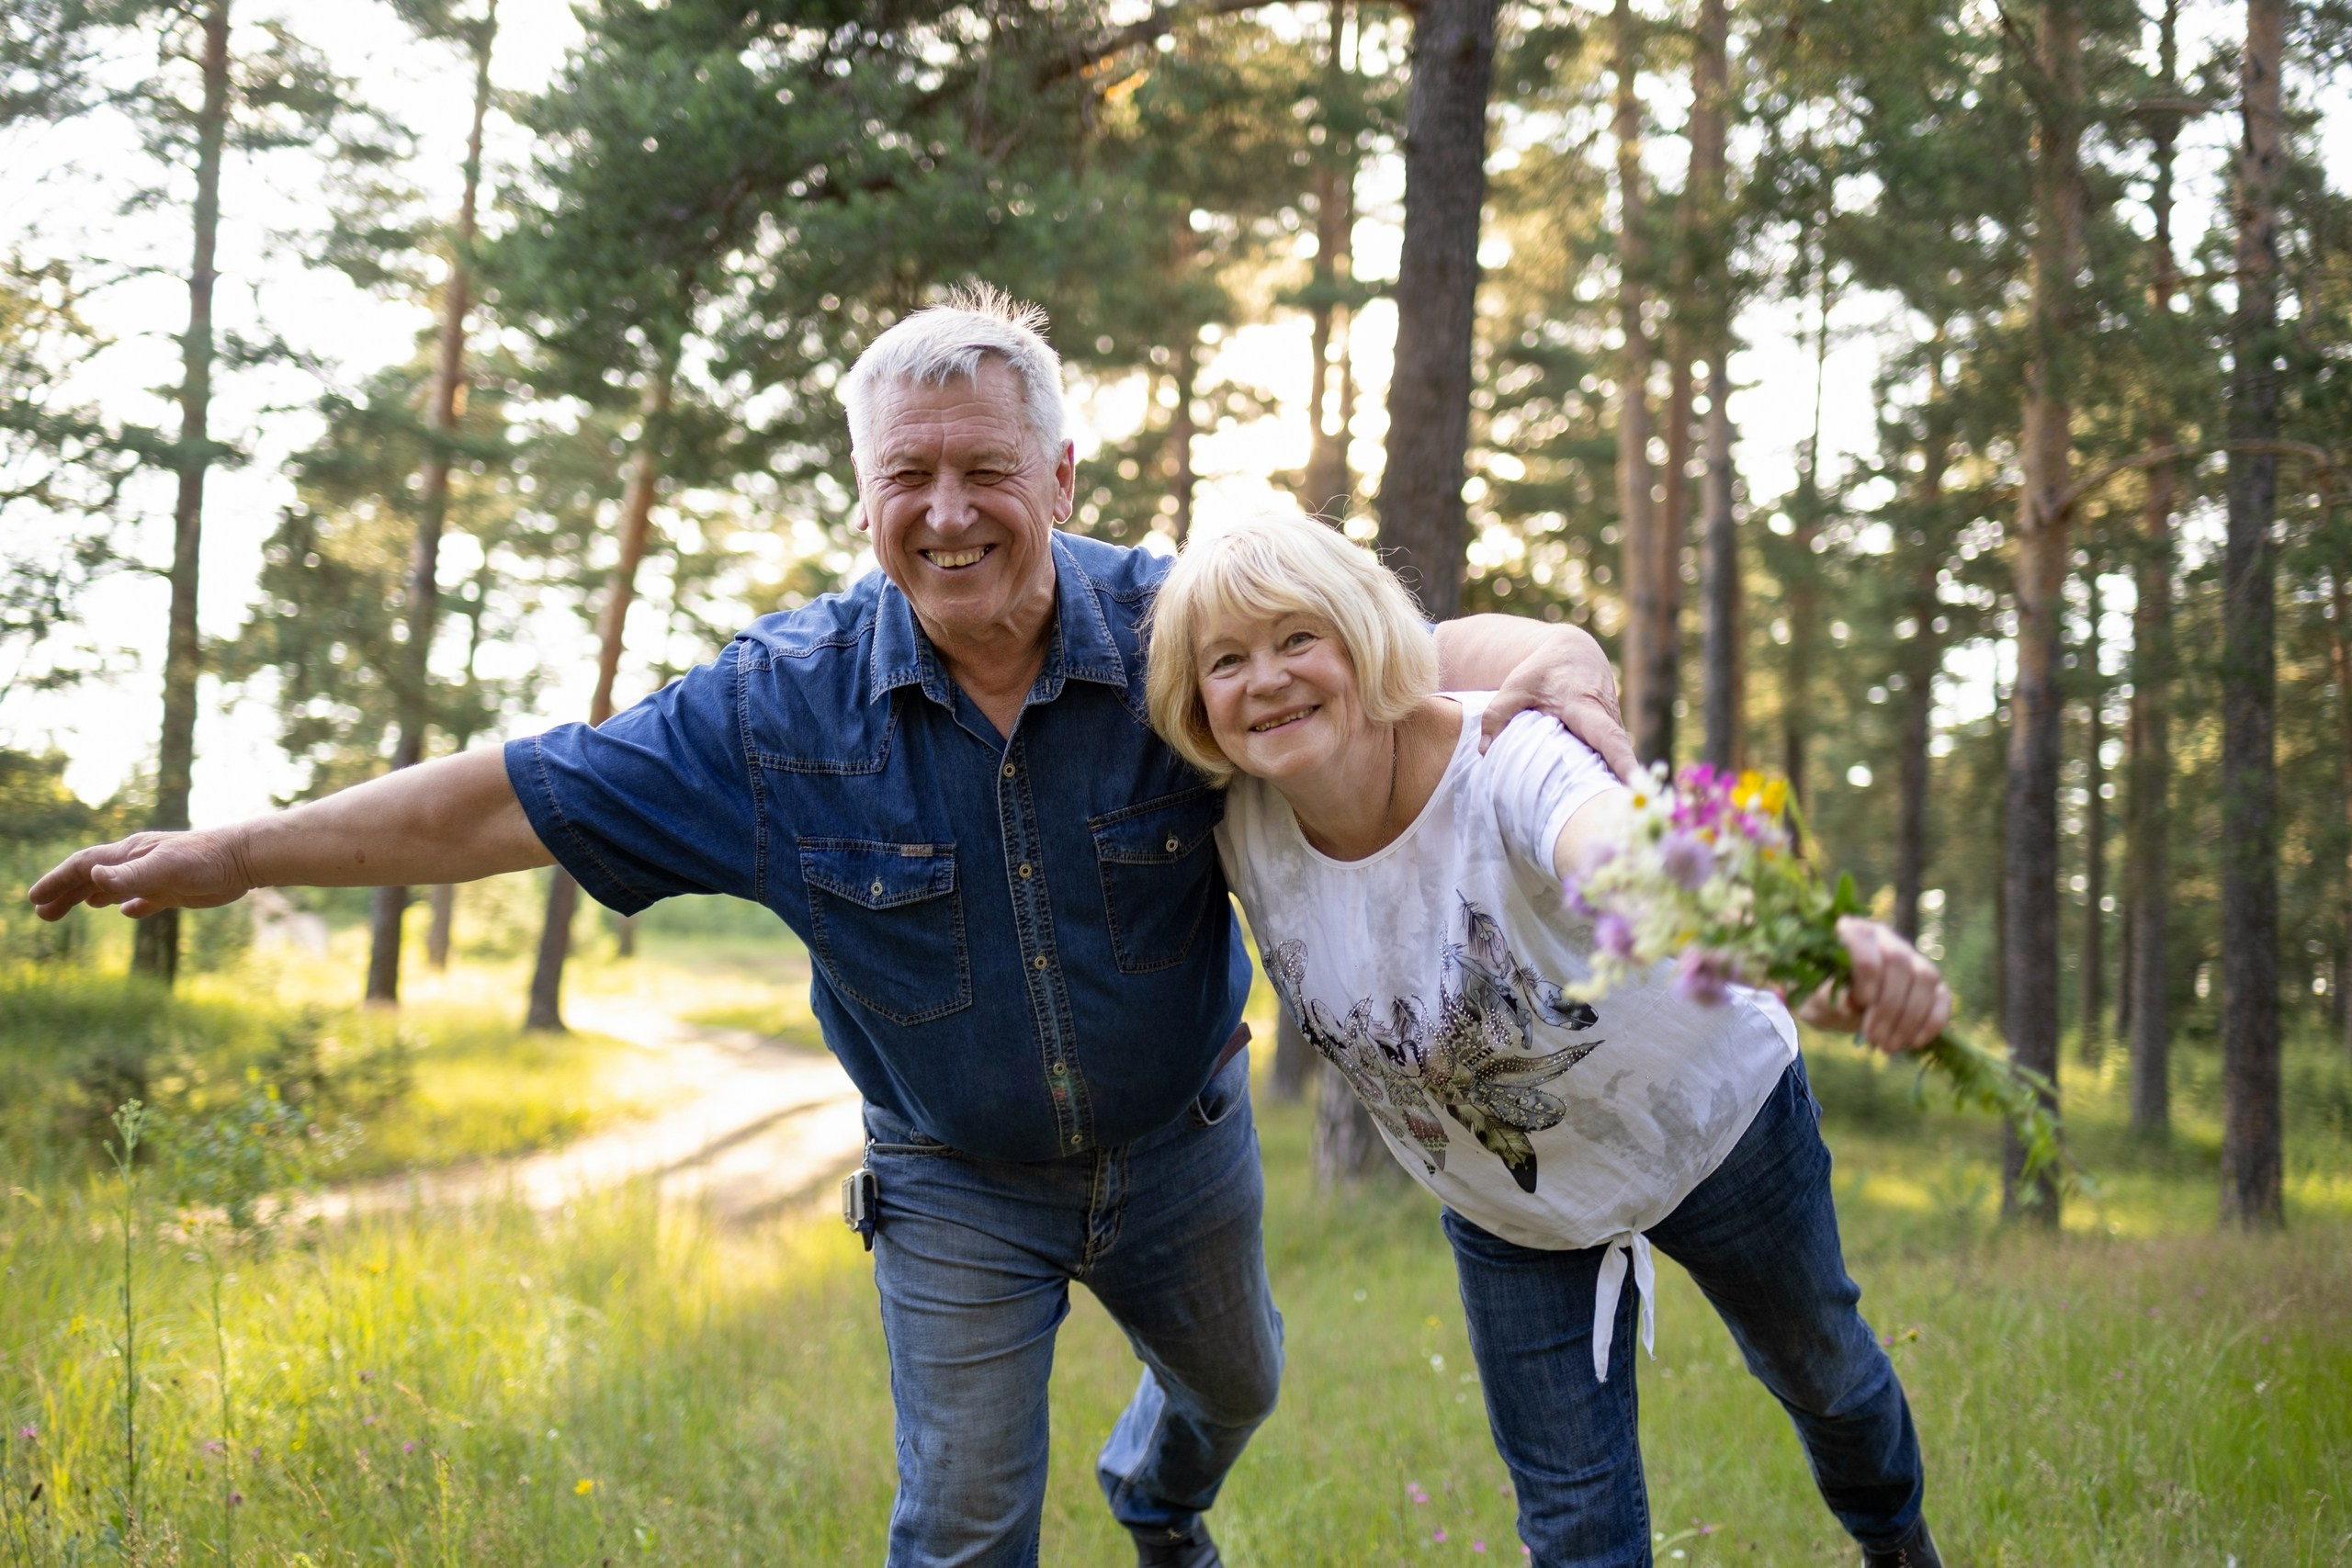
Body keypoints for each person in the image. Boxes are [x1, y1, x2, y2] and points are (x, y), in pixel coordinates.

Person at [28, 291, 1635, 1568]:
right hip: (950, 1181)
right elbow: (505, 800)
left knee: (1237, 1388)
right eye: (908, 478)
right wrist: (243, 849)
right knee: (959, 1528)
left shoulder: (1179, 631)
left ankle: (1157, 1499)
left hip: (1182, 1143)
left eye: (986, 471)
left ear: (1061, 480)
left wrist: (1553, 651)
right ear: (865, 494)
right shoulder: (777, 710)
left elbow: (1387, 650)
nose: (948, 512)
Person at [1141, 513, 1950, 1568]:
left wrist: (1792, 943)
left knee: (1830, 1380)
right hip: (1511, 1210)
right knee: (1572, 1522)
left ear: (1368, 641)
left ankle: (1896, 1543)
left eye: (1300, 638)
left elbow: (1625, 856)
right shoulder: (1230, 821)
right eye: (1227, 660)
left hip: (1714, 1125)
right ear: (1195, 699)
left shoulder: (1507, 753)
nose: (1268, 680)